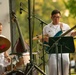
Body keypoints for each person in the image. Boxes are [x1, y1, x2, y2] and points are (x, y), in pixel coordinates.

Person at [43, 9, 76, 75]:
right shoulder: (46, 27)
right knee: (53, 71)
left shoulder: (65, 26)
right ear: (51, 17)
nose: (56, 19)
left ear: (60, 17)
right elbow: (43, 39)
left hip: (64, 51)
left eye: (58, 17)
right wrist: (45, 39)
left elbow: (71, 34)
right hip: (52, 52)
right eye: (54, 17)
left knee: (65, 71)